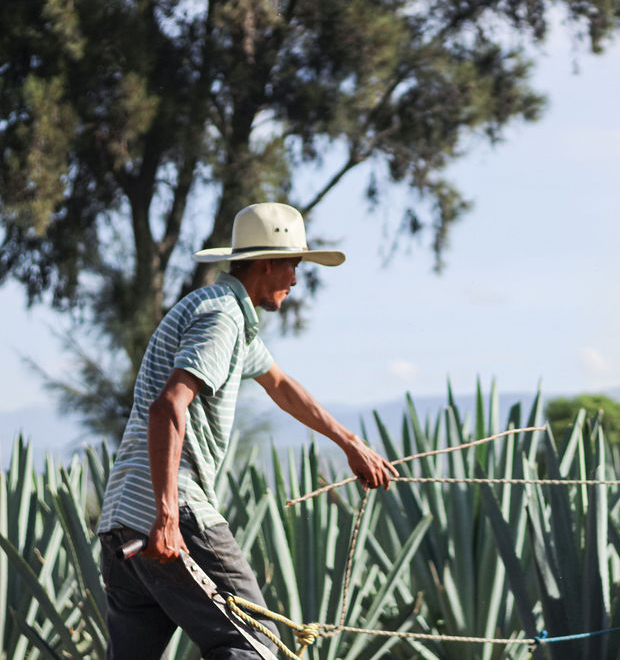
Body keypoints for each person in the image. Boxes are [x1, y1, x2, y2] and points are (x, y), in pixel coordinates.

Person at [96, 202, 398, 659]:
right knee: (252, 644)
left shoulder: (222, 313)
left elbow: (282, 386)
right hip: (171, 511)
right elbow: (168, 408)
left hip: (120, 520)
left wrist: (350, 443)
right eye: (293, 265)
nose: (296, 280)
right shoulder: (222, 318)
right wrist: (168, 516)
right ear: (266, 263)